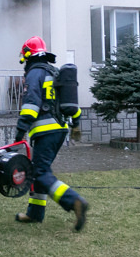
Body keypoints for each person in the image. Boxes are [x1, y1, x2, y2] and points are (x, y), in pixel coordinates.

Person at [14, 36, 88, 231]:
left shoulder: (34, 74)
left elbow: (31, 105)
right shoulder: (54, 72)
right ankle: (35, 213)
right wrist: (76, 124)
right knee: (38, 170)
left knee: (39, 172)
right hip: (59, 129)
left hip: (45, 131)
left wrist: (20, 131)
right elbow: (70, 104)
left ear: (28, 56)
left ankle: (74, 201)